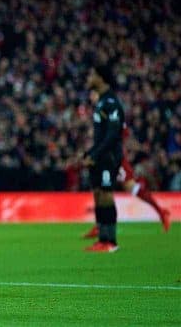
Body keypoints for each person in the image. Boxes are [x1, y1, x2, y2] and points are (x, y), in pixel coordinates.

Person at [82, 99, 171, 239]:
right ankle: (100, 225)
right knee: (99, 189)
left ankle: (161, 212)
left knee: (128, 187)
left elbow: (123, 136)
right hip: (104, 158)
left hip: (114, 159)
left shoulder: (114, 118)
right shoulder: (102, 119)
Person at [80, 64, 125, 253]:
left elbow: (113, 134)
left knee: (106, 194)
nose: (89, 77)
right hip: (99, 155)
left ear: (101, 77)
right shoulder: (100, 102)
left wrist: (96, 154)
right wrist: (89, 154)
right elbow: (100, 136)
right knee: (98, 194)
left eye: (92, 74)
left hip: (109, 156)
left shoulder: (111, 103)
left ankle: (111, 242)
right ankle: (102, 240)